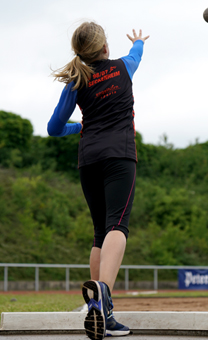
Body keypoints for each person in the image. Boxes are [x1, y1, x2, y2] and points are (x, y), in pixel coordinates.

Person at [47, 21, 149, 340]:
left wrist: (79, 128)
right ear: (106, 48)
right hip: (119, 155)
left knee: (99, 233)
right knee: (117, 225)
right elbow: (136, 55)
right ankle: (104, 300)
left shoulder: (76, 81)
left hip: (88, 159)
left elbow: (53, 127)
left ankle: (97, 308)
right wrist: (138, 42)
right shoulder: (123, 67)